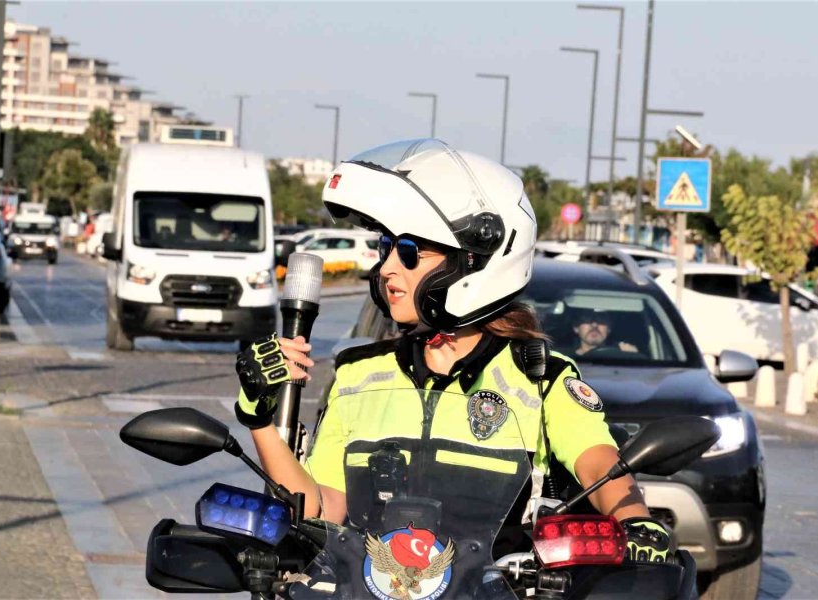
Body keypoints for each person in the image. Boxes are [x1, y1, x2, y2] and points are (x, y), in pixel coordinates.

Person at [234, 139, 671, 562]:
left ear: (474, 260)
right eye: (385, 249)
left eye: (407, 252)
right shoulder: (358, 375)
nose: (386, 269)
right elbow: (322, 510)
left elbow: (597, 461)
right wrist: (258, 419)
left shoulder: (539, 377)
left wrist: (634, 519)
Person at [571, 309, 639, 356]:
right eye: (587, 320)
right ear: (576, 328)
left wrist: (633, 357)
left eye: (601, 320)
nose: (594, 325)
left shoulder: (622, 355)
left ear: (609, 329)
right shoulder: (564, 361)